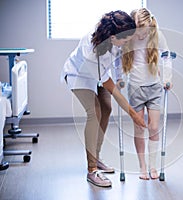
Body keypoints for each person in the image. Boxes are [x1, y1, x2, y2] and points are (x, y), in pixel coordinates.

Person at [61, 10, 146, 187]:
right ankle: (92, 170)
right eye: (125, 39)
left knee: (107, 108)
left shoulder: (112, 34)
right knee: (95, 112)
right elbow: (112, 90)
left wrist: (120, 77)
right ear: (113, 37)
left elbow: (115, 61)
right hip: (79, 74)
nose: (127, 42)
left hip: (99, 73)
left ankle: (96, 156)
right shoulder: (91, 52)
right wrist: (134, 115)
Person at [122, 8, 172, 180]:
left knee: (154, 127)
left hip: (154, 87)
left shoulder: (156, 33)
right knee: (139, 128)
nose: (141, 36)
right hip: (135, 87)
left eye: (145, 32)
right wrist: (120, 78)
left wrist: (167, 78)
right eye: (139, 32)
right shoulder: (128, 36)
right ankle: (142, 166)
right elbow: (118, 58)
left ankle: (152, 166)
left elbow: (166, 56)